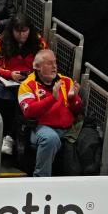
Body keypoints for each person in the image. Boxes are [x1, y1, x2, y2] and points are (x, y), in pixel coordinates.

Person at [0, 14, 48, 155]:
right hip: (5, 81)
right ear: (11, 30)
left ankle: (10, 138)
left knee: (22, 101)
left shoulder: (39, 42)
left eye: (25, 31)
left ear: (30, 30)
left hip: (30, 84)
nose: (21, 35)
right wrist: (9, 74)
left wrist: (30, 77)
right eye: (17, 31)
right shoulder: (1, 41)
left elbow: (45, 66)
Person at [18, 49, 83, 177]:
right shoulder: (27, 85)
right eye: (49, 63)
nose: (54, 67)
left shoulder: (67, 81)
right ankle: (40, 179)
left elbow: (78, 109)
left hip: (68, 128)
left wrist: (73, 98)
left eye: (55, 63)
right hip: (41, 128)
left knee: (88, 138)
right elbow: (29, 112)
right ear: (37, 67)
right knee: (51, 138)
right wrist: (52, 98)